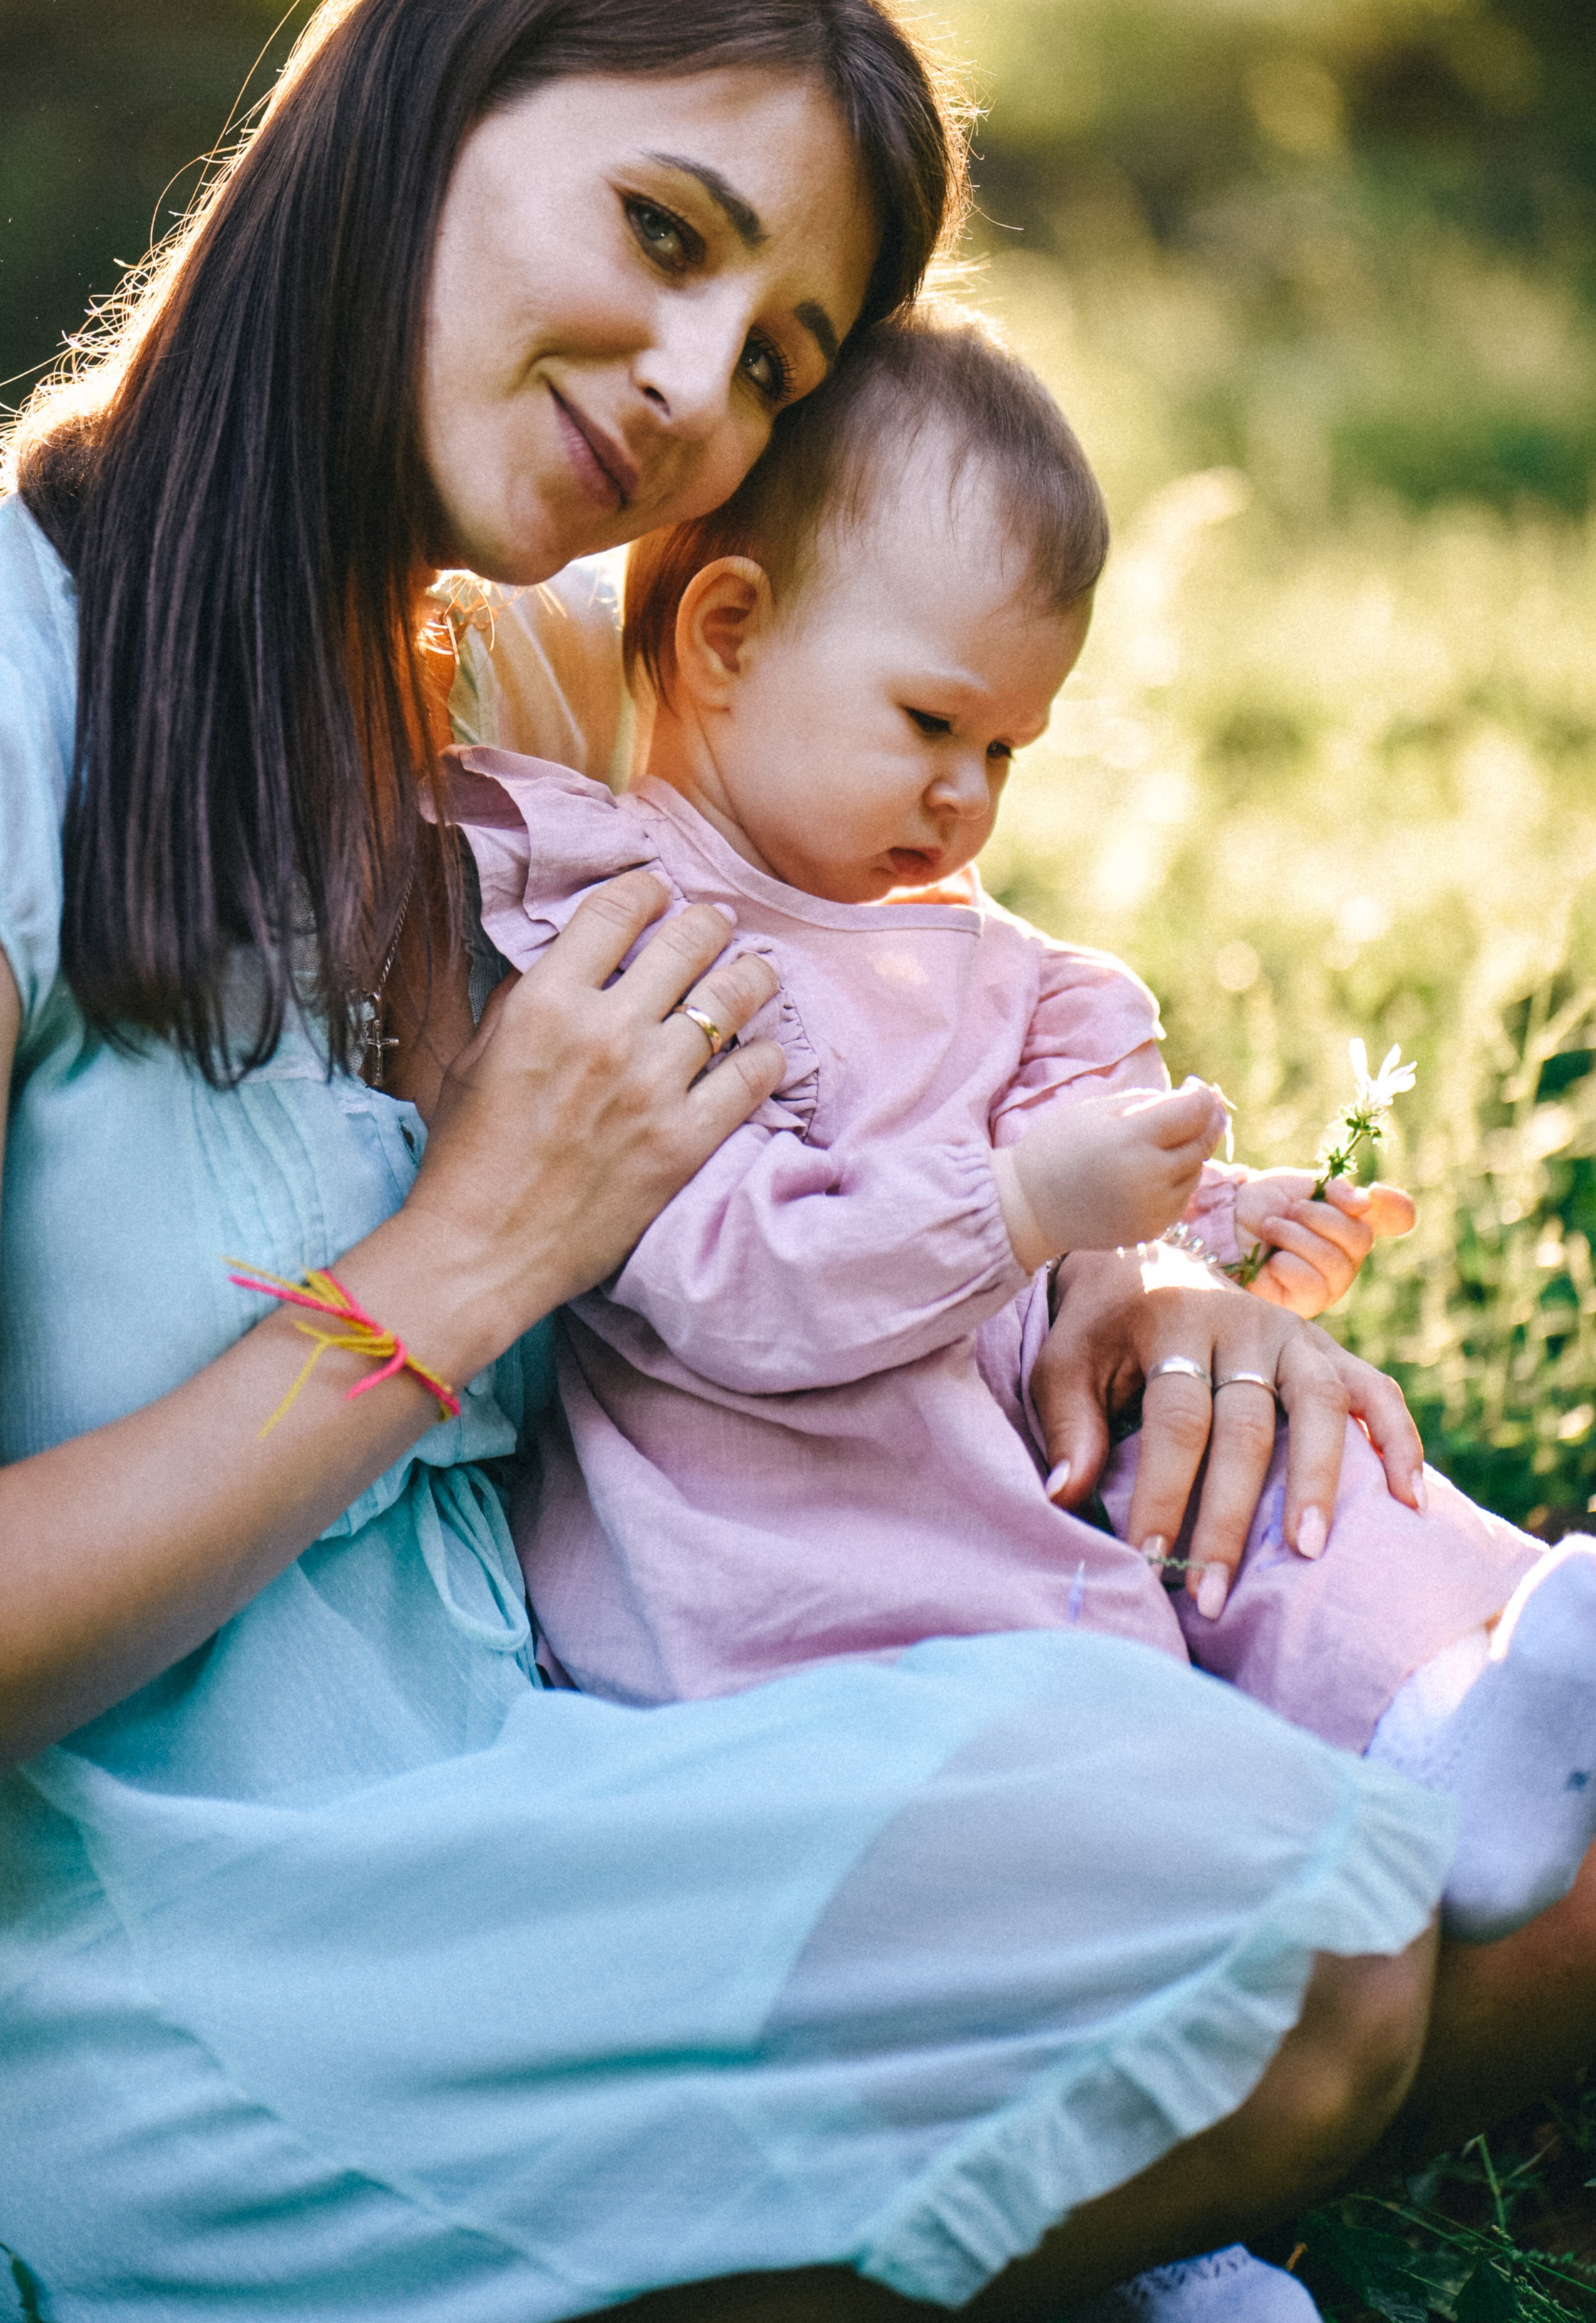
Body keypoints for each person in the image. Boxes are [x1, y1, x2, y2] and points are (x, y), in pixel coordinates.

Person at [0, 0, 1582, 2323]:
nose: (692, 384)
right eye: (662, 228)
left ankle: (1092, 2182)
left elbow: (909, 965)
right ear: (405, 106)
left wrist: (1144, 1278)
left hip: (623, 1759)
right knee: (1281, 1901)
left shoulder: (519, 694)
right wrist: (470, 1248)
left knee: (1502, 1836)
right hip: (198, 1955)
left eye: (777, 355)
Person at [446, 310, 1591, 1972]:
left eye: (1006, 752)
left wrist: (1203, 1230)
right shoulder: (625, 931)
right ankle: (1156, 2202)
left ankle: (1452, 1725)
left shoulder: (996, 969)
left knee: (1272, 1463)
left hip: (1012, 1517)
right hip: (790, 1602)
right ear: (725, 637)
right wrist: (1020, 1204)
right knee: (1042, 1862)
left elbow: (1088, 1218)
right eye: (930, 725)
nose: (968, 800)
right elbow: (725, 1284)